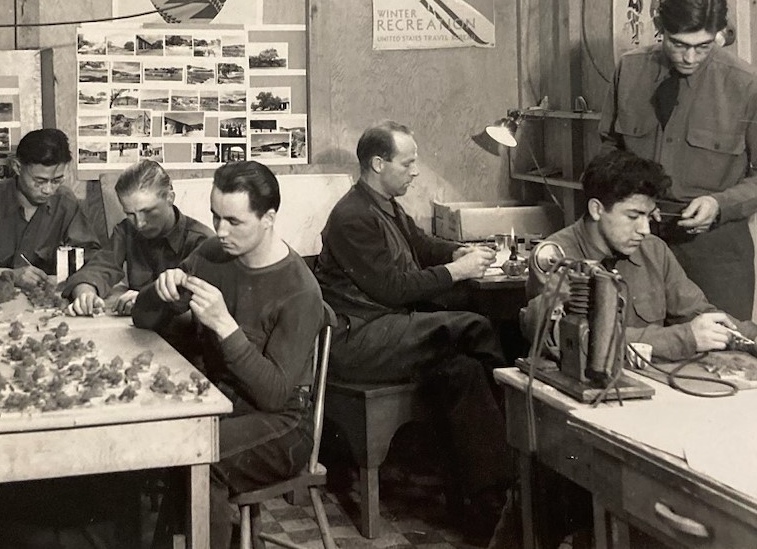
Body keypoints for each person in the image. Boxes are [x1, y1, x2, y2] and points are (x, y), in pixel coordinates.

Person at [311, 120, 512, 544]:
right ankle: (510, 454)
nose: (416, 171)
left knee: (463, 369)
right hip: (359, 340)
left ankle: (486, 498)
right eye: (409, 162)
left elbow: (422, 245)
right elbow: (393, 288)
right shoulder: (353, 216)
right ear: (379, 164)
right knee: (476, 326)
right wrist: (457, 271)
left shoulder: (384, 203)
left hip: (385, 329)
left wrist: (460, 251)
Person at [132, 161, 326, 549]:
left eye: (234, 222)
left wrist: (225, 325)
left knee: (201, 459)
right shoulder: (210, 255)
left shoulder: (300, 290)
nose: (221, 231)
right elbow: (143, 318)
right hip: (223, 402)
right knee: (163, 441)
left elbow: (274, 395)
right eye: (215, 216)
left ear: (268, 218)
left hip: (285, 422)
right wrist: (160, 290)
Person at [600, 0, 757, 319]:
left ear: (718, 34)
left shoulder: (745, 85)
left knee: (721, 360)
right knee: (634, 349)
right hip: (638, 246)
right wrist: (632, 197)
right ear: (660, 28)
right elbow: (609, 151)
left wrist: (719, 204)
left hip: (715, 257)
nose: (689, 57)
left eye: (702, 47)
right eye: (678, 44)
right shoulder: (629, 70)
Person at [523, 150, 757, 361]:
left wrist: (750, 337)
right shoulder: (553, 258)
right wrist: (685, 338)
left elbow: (700, 312)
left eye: (648, 215)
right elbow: (579, 341)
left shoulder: (654, 250)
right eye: (633, 216)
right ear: (597, 209)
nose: (644, 229)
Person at [0, 128, 100, 288]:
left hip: (44, 299)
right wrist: (9, 276)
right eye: (40, 181)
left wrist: (62, 277)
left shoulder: (66, 203)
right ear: (17, 167)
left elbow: (91, 258)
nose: (48, 190)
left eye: (57, 180)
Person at [62, 159, 212, 316]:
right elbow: (99, 268)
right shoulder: (127, 230)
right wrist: (86, 293)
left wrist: (147, 300)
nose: (139, 223)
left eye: (148, 211)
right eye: (130, 214)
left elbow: (198, 312)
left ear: (170, 198)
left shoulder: (203, 242)